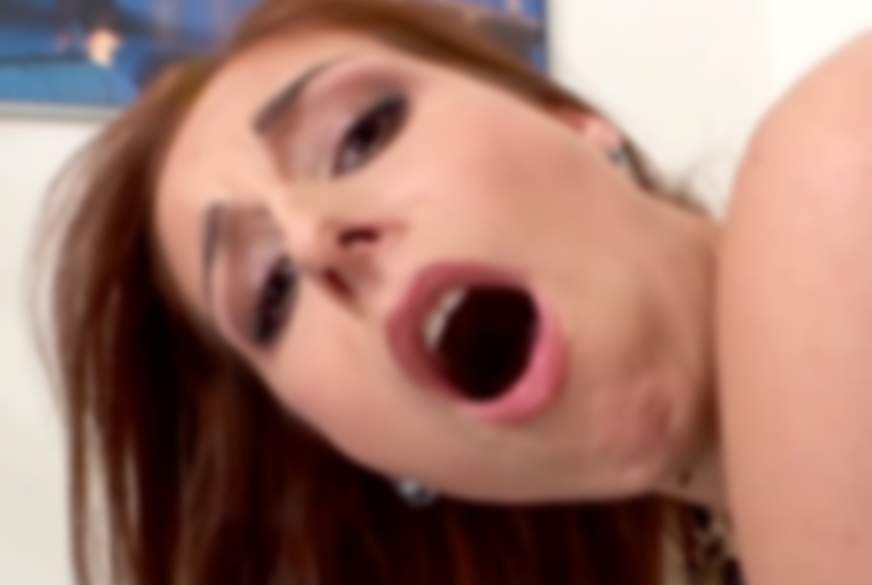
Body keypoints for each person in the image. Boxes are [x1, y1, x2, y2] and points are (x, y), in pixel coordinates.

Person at [36, 0, 872, 584]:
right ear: (376, 455)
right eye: (273, 292)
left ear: (572, 123)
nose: (313, 238)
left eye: (362, 135)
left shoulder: (837, 166)